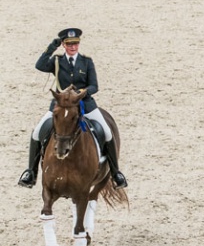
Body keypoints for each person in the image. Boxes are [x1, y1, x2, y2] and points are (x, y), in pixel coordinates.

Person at [18, 28, 128, 189]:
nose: (73, 47)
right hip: (61, 106)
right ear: (64, 44)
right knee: (36, 132)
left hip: (85, 104)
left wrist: (82, 93)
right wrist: (52, 46)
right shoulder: (56, 61)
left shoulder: (86, 62)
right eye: (69, 44)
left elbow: (94, 86)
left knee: (106, 132)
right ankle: (31, 173)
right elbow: (39, 65)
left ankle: (116, 173)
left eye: (75, 43)